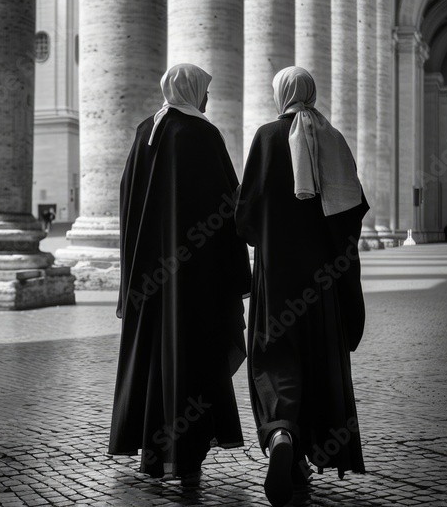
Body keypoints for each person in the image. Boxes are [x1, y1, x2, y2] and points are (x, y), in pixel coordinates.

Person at [109, 63, 250, 488]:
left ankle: (154, 456)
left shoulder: (144, 132)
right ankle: (187, 458)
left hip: (150, 280)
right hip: (197, 282)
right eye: (205, 92)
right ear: (193, 91)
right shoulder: (203, 135)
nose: (207, 100)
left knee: (154, 359)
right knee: (194, 360)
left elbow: (128, 204)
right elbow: (230, 206)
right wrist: (232, 270)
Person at [234, 66, 367, 507]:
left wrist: (270, 236)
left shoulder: (267, 137)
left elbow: (245, 214)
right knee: (315, 360)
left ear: (281, 94)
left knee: (276, 359)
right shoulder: (333, 139)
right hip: (323, 284)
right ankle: (303, 457)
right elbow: (351, 214)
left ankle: (281, 434)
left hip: (277, 278)